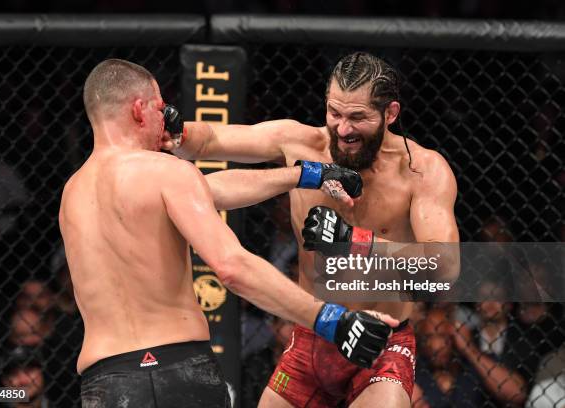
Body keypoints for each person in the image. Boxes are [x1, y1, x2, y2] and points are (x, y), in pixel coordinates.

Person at [59, 59, 398, 408]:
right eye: (162, 109)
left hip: (104, 383)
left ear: (390, 114)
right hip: (176, 372)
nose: (168, 121)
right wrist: (333, 320)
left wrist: (303, 175)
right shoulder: (165, 172)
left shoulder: (73, 193)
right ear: (139, 110)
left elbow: (204, 189)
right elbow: (231, 267)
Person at [164, 52, 460, 407]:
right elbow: (208, 140)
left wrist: (355, 240)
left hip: (382, 342)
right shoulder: (300, 144)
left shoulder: (422, 170)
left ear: (390, 114)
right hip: (313, 334)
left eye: (357, 117)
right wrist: (176, 128)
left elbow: (445, 267)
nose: (343, 129)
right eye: (335, 113)